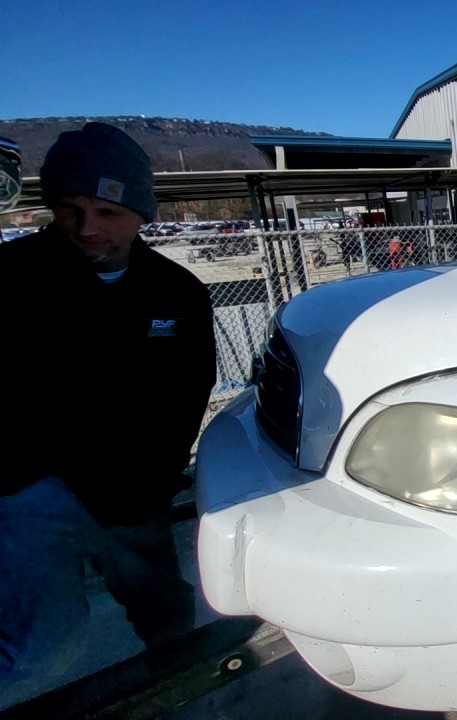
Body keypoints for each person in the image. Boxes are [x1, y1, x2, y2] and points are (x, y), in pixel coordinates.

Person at [0, 122, 216, 707]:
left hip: (131, 495)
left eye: (107, 212)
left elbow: (191, 390)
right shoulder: (11, 279)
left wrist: (154, 473)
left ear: (141, 213)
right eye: (70, 209)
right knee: (42, 647)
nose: (88, 228)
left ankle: (187, 699)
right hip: (32, 493)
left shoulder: (177, 292)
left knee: (170, 619)